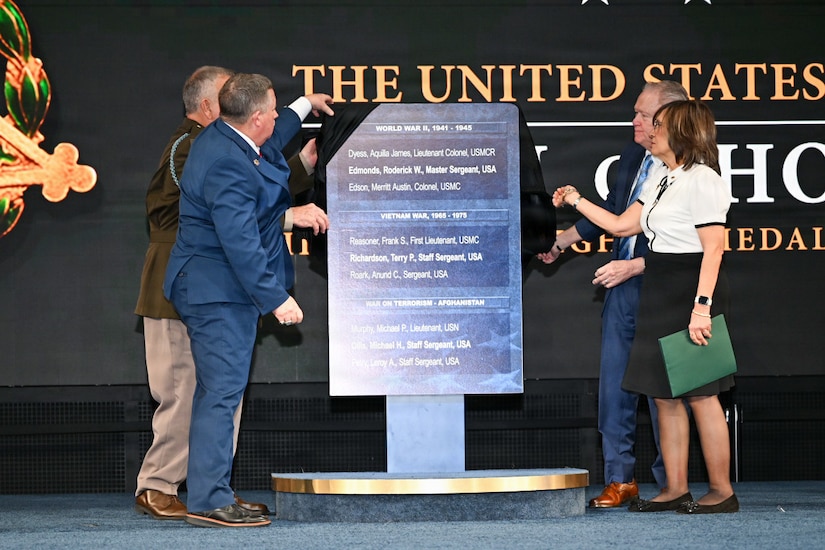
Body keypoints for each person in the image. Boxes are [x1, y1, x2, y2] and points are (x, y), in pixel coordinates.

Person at [134, 66, 330, 521]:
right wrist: (276, 298)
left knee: (217, 395)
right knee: (219, 396)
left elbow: (275, 128)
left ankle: (212, 490)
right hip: (217, 289)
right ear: (255, 118)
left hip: (216, 286)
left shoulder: (226, 135)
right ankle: (210, 499)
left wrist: (303, 106)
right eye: (274, 110)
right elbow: (238, 239)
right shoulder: (226, 161)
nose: (277, 117)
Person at [552, 99, 737, 514]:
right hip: (658, 287)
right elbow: (620, 225)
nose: (649, 130)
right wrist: (576, 200)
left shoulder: (703, 179)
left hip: (690, 290)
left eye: (658, 124)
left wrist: (701, 308)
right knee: (664, 396)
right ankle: (675, 488)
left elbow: (714, 250)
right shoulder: (662, 180)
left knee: (701, 395)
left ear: (682, 133)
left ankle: (722, 492)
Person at [538, 81, 688, 508]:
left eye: (643, 115)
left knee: (664, 392)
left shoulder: (686, 167)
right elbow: (615, 209)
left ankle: (669, 482)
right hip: (622, 290)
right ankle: (620, 480)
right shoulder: (631, 156)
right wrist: (561, 242)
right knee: (615, 388)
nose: (634, 121)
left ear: (669, 119)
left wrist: (638, 265)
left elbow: (697, 242)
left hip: (662, 289)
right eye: (636, 113)